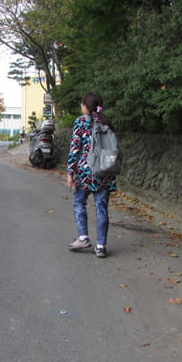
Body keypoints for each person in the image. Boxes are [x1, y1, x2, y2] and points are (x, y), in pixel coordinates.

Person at [66, 93, 117, 258]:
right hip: (105, 170)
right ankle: (101, 246)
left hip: (86, 172)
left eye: (82, 104)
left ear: (86, 106)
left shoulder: (81, 122)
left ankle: (83, 237)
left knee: (79, 202)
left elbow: (75, 149)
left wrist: (70, 172)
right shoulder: (107, 122)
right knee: (101, 208)